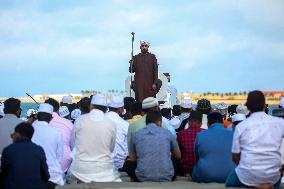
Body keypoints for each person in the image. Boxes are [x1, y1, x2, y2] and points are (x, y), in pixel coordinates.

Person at [226, 90, 284, 189]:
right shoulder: (280, 123)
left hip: (248, 175)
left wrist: (248, 169)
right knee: (276, 179)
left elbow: (235, 157)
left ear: (248, 107)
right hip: (272, 175)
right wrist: (281, 170)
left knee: (229, 183)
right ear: (264, 105)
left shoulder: (241, 126)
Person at [69, 94, 121, 183]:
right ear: (106, 108)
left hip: (81, 170)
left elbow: (73, 145)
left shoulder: (79, 120)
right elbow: (111, 148)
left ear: (91, 106)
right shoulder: (111, 123)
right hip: (104, 170)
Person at [125, 110, 181, 182]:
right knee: (178, 163)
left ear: (146, 122)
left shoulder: (137, 134)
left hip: (142, 177)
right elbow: (178, 156)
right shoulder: (167, 133)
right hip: (167, 176)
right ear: (159, 121)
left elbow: (133, 158)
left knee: (127, 163)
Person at [0, 122, 50, 189]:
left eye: (13, 135)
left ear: (17, 134)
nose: (12, 137)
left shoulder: (8, 150)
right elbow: (46, 176)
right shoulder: (39, 150)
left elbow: (4, 175)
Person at [192, 112, 235, 183]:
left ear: (208, 123)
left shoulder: (200, 135)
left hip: (205, 175)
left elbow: (196, 157)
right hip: (230, 175)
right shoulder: (233, 134)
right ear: (222, 122)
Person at [32, 103, 64, 188]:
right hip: (53, 177)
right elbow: (59, 156)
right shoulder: (57, 132)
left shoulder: (29, 130)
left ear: (37, 116)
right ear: (51, 118)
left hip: (33, 174)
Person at [45, 98, 73, 173]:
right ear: (58, 110)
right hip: (64, 163)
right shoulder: (68, 123)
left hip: (42, 164)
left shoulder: (36, 123)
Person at [176, 111, 204, 177]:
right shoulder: (205, 133)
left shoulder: (180, 134)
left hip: (185, 170)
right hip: (202, 169)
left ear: (188, 122)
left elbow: (177, 154)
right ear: (200, 123)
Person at [105, 95, 129, 170]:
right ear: (120, 109)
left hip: (103, 163)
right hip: (120, 164)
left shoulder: (100, 120)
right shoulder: (124, 124)